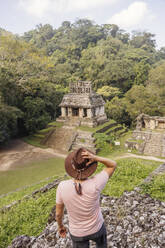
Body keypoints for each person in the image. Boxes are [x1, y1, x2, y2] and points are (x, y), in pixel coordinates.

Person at [56, 147, 117, 248]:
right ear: (90, 166)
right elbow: (112, 165)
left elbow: (58, 214)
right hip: (96, 227)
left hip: (77, 232)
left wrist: (61, 226)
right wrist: (95, 157)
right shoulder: (96, 183)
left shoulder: (62, 186)